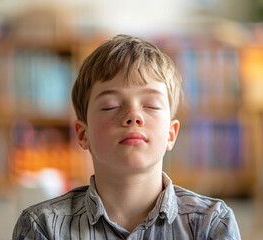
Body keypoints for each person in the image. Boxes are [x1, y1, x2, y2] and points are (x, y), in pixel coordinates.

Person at [12, 34, 241, 239]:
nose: (133, 116)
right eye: (111, 106)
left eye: (150, 105)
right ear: (83, 134)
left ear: (171, 134)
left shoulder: (211, 224)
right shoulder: (43, 226)